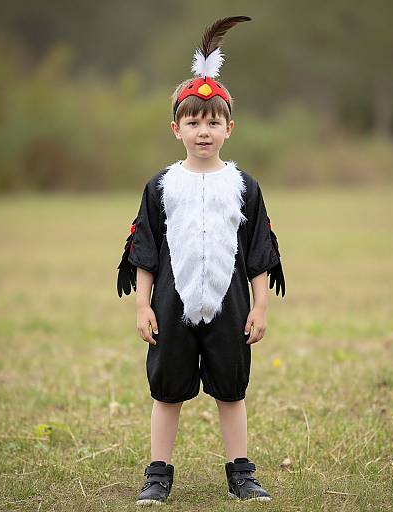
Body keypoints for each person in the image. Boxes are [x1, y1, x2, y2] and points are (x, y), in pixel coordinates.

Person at [116, 16, 285, 506]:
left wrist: (261, 306)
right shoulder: (161, 186)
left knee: (231, 391)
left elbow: (259, 252)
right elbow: (143, 247)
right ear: (177, 128)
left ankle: (241, 474)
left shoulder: (244, 187)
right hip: (172, 301)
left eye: (213, 121)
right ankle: (157, 474)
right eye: (193, 121)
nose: (203, 130)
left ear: (229, 127)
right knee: (167, 391)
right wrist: (143, 304)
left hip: (229, 302)